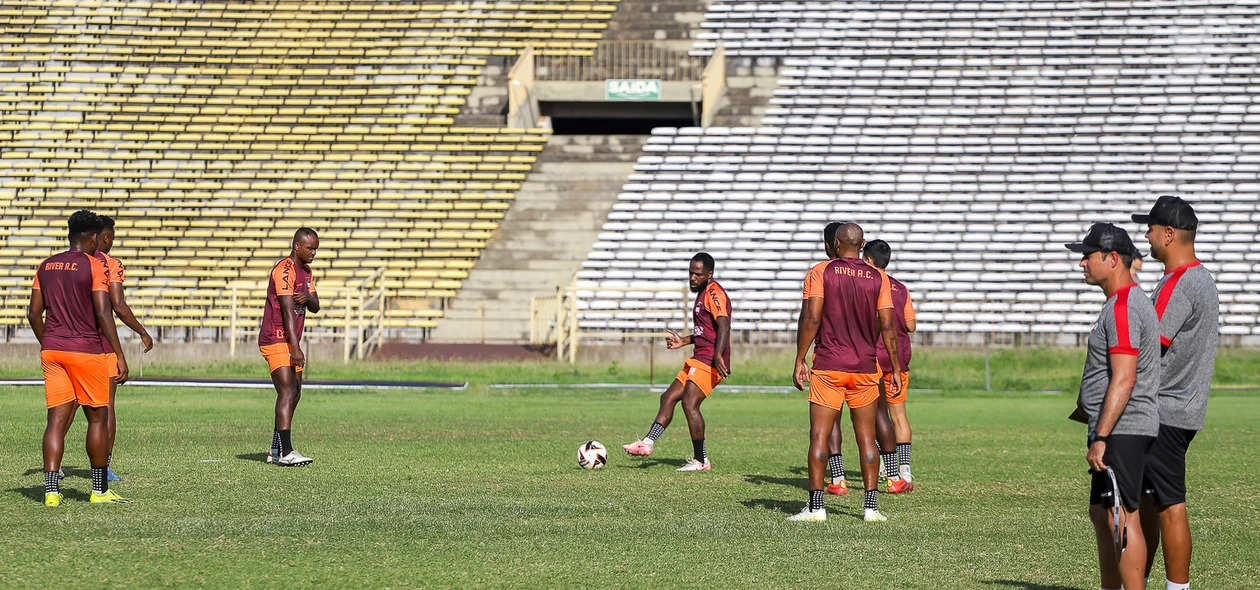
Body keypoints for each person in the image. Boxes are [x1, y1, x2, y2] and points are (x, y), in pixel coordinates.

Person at [1067, 222, 1161, 590]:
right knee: (1103, 513)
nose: (1082, 264)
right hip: (1120, 427)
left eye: (1087, 256)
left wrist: (1102, 434)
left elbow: (1124, 377)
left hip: (1123, 428)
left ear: (1112, 258)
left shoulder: (1123, 307)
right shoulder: (1120, 304)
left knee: (1123, 516)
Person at [1132, 196, 1218, 590]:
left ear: (1168, 234)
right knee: (1151, 503)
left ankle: (1177, 588)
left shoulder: (1179, 281)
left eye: (1150, 228)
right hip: (1183, 406)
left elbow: (1151, 343)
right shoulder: (1201, 278)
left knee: (1168, 506)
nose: (1146, 236)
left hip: (1163, 410)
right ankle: (1142, 580)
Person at [788, 223, 900, 523]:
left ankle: (816, 508)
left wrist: (800, 358)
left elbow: (812, 317)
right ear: (861, 244)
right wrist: (896, 367)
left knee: (820, 436)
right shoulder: (879, 277)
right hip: (865, 367)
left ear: (836, 244)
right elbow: (888, 325)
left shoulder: (820, 271)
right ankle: (871, 509)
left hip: (828, 366)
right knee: (866, 437)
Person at [27, 210, 131, 505]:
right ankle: (99, 491)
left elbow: (34, 313)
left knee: (56, 422)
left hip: (53, 350)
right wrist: (119, 355)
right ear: (92, 236)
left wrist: (49, 340)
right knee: (98, 418)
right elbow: (103, 312)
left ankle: (50, 493)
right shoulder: (95, 265)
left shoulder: (46, 265)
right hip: (87, 351)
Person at [623, 252, 731, 472]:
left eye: (698, 274)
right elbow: (705, 331)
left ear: (710, 274)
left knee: (689, 404)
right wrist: (684, 340)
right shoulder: (702, 294)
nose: (692, 278)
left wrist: (718, 355)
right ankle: (647, 442)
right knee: (668, 396)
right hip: (699, 357)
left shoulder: (714, 293)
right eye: (690, 273)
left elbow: (723, 325)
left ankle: (701, 460)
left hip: (710, 361)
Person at [83, 215, 153, 482]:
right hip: (100, 345)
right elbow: (117, 304)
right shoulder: (110, 264)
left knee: (64, 408)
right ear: (105, 237)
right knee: (106, 407)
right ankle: (104, 468)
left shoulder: (73, 263)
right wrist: (142, 332)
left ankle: (55, 468)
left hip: (69, 342)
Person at [261, 228, 320, 467]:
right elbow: (286, 311)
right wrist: (295, 348)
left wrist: (307, 297)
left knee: (295, 393)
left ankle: (275, 449)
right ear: (297, 246)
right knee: (286, 392)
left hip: (291, 340)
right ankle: (286, 452)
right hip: (276, 339)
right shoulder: (284, 269)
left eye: (316, 248)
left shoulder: (306, 272)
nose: (314, 252)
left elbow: (315, 305)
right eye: (310, 248)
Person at [864, 239, 916, 492]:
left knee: (876, 414)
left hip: (873, 358)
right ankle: (906, 472)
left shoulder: (868, 284)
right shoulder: (901, 288)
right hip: (898, 358)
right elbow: (911, 325)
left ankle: (889, 466)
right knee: (899, 415)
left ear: (869, 260)